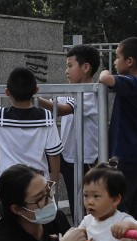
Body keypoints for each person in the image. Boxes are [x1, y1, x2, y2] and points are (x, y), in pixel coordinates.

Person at [0, 67, 63, 191]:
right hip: (38, 184)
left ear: (7, 92)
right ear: (36, 90)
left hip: (8, 183)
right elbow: (54, 154)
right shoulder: (46, 117)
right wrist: (53, 185)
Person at [97, 37, 137, 235]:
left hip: (125, 158)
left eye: (117, 57)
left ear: (129, 61)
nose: (115, 62)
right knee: (135, 212)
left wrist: (105, 72)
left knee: (120, 213)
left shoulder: (131, 83)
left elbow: (106, 79)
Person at [37, 44, 100, 217]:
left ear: (86, 68)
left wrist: (35, 97)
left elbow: (62, 109)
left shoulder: (89, 94)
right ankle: (45, 204)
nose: (66, 71)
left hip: (83, 159)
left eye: (70, 65)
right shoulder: (71, 91)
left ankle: (84, 232)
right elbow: (54, 106)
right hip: (66, 154)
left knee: (80, 207)